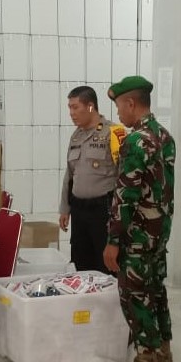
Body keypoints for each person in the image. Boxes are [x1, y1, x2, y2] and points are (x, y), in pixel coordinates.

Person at [102, 76, 176, 362]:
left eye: (119, 106)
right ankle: (163, 356)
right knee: (156, 292)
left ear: (131, 103)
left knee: (135, 297)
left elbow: (126, 196)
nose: (118, 113)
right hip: (159, 233)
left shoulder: (135, 141)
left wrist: (113, 241)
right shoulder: (164, 136)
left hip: (137, 236)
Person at [59, 86, 126, 273]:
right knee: (81, 264)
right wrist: (65, 208)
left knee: (104, 266)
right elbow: (70, 174)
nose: (71, 113)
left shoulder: (114, 133)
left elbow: (124, 177)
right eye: (69, 108)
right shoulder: (76, 136)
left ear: (90, 107)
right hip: (79, 210)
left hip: (102, 211)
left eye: (75, 107)